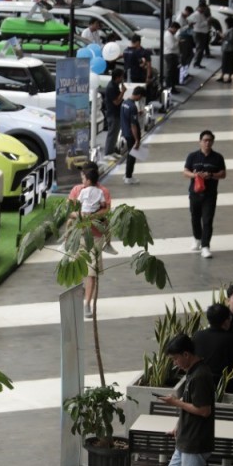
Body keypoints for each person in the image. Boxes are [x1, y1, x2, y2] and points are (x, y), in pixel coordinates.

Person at [158, 334, 215, 466]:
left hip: (196, 442)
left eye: (175, 359)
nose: (175, 363)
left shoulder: (201, 375)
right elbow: (191, 403)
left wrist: (174, 402)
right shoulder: (192, 372)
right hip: (185, 439)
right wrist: (178, 424)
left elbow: (204, 410)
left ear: (186, 354)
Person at [67, 164, 111, 318]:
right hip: (78, 235)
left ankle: (87, 304)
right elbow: (70, 211)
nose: (82, 180)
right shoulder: (77, 190)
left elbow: (106, 210)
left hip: (96, 237)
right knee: (79, 270)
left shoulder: (103, 192)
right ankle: (83, 294)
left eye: (83, 176)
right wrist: (80, 216)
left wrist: (91, 216)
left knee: (91, 272)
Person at [183, 130, 226, 259]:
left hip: (210, 194)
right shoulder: (192, 156)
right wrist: (194, 175)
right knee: (195, 217)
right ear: (200, 141)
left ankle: (205, 246)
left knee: (207, 219)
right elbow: (185, 171)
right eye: (205, 140)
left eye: (209, 140)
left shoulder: (218, 157)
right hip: (195, 193)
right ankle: (197, 238)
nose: (207, 143)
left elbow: (223, 174)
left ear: (213, 142)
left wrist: (211, 175)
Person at [194, 303, 233, 379]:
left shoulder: (197, 335)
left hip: (201, 380)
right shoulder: (232, 339)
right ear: (226, 321)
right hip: (226, 383)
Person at [120, 86, 144, 185]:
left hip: (125, 132)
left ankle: (127, 174)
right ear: (138, 95)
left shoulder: (125, 103)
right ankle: (128, 176)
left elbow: (126, 116)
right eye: (141, 97)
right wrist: (137, 140)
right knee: (132, 155)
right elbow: (133, 125)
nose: (140, 99)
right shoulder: (133, 107)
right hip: (131, 135)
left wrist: (137, 113)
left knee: (130, 154)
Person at [100, 69, 124, 156]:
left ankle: (111, 151)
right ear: (117, 77)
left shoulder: (115, 85)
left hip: (116, 113)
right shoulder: (111, 87)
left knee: (115, 134)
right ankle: (108, 153)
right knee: (112, 134)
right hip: (113, 114)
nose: (122, 79)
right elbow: (116, 102)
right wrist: (123, 92)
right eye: (121, 77)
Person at [217, 15, 233, 84]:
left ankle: (229, 77)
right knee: (224, 63)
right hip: (227, 48)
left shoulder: (232, 30)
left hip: (229, 49)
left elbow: (231, 39)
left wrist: (222, 36)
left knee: (229, 63)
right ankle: (222, 76)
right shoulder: (230, 29)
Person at [189, 3, 211, 69]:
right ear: (200, 7)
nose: (204, 10)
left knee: (201, 48)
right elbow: (198, 25)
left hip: (202, 32)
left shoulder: (201, 14)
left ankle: (198, 63)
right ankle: (196, 63)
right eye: (203, 8)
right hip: (199, 33)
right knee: (199, 48)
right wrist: (207, 21)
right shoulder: (196, 15)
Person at [163, 20, 181, 92]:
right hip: (170, 55)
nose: (176, 31)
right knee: (170, 71)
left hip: (173, 54)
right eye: (176, 30)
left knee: (173, 71)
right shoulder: (168, 35)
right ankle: (169, 86)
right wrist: (178, 42)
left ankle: (172, 86)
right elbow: (172, 46)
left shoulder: (171, 35)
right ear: (173, 28)